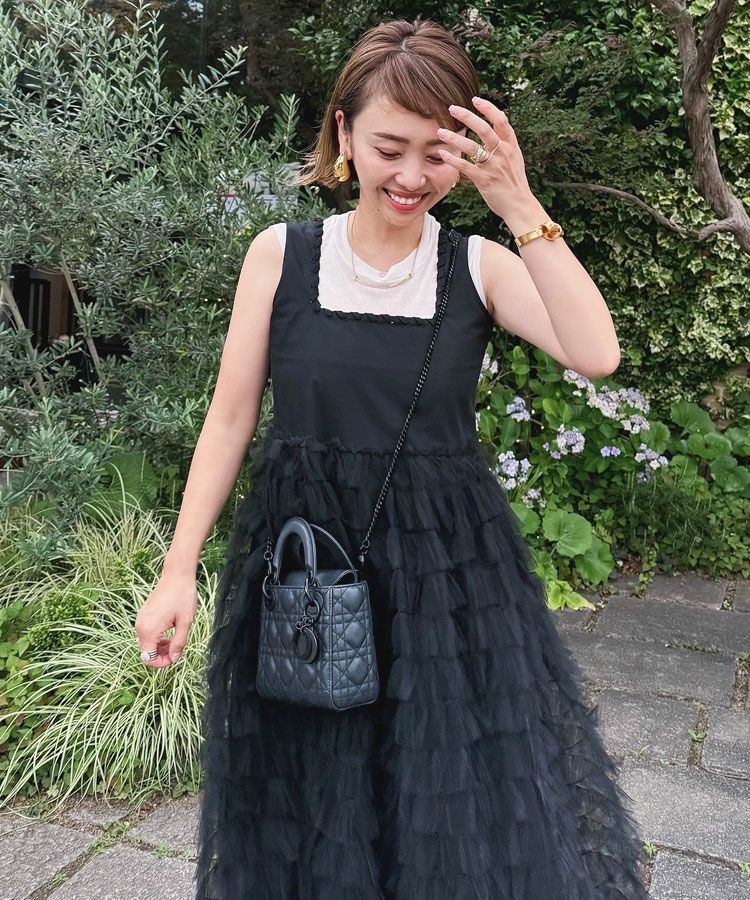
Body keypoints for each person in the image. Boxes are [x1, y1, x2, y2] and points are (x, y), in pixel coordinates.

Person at [135, 18, 649, 900]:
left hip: (447, 578)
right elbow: (229, 419)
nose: (412, 176)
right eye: (389, 148)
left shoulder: (479, 267)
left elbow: (597, 352)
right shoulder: (281, 255)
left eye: (436, 153)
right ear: (343, 132)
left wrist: (520, 206)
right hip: (302, 567)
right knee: (310, 796)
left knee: (444, 799)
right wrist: (177, 570)